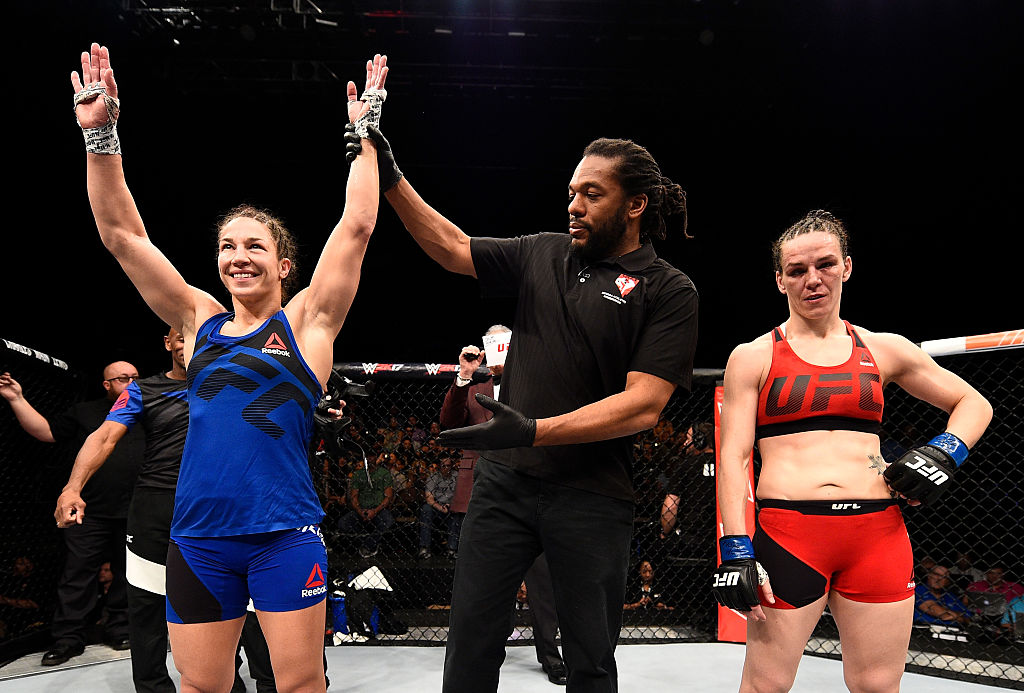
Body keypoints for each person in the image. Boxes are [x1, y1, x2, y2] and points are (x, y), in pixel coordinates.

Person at [71, 42, 385, 692]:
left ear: (284, 264)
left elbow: (355, 226)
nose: (237, 256)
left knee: (299, 685)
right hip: (198, 539)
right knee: (201, 687)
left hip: (282, 535)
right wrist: (101, 134)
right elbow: (122, 235)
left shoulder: (304, 325)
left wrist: (365, 134)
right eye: (226, 246)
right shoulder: (198, 321)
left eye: (254, 245)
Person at [347, 128, 697, 691]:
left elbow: (643, 404)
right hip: (504, 487)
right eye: (572, 192)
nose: (573, 206)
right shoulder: (544, 251)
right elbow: (452, 247)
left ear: (636, 205)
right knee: (469, 649)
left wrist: (533, 430)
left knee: (589, 660)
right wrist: (391, 178)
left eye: (591, 194)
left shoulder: (668, 289)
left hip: (593, 494)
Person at [712, 210, 993, 693]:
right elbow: (735, 457)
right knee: (765, 686)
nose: (812, 280)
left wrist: (946, 451)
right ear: (780, 280)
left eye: (824, 265)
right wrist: (734, 547)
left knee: (877, 685)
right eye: (797, 271)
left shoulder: (885, 348)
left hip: (877, 534)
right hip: (790, 535)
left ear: (846, 266)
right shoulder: (754, 355)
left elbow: (973, 403)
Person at [54, 328, 186, 692]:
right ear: (167, 342)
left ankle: (224, 683)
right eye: (180, 335)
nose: (188, 342)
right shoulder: (142, 389)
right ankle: (152, 687)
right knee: (144, 605)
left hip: (214, 510)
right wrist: (72, 487)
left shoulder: (230, 383)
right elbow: (104, 436)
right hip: (154, 508)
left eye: (197, 334)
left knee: (222, 603)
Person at [1, 363, 143, 665]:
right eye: (122, 378)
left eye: (135, 378)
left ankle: (120, 629)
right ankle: (68, 639)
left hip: (136, 508)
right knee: (77, 574)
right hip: (88, 509)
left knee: (130, 574)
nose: (130, 382)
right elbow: (47, 432)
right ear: (106, 385)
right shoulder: (85, 412)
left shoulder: (148, 410)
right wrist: (16, 399)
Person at [339, 452, 396, 558]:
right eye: (367, 457)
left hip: (378, 509)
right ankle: (368, 543)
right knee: (343, 523)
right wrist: (359, 510)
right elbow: (353, 496)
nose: (369, 459)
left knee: (388, 521)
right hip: (361, 508)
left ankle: (367, 546)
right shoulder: (358, 474)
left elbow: (388, 496)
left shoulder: (384, 473)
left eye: (372, 456)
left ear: (376, 457)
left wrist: (375, 511)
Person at [418, 453, 460, 559]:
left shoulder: (457, 476)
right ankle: (425, 548)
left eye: (448, 466)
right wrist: (440, 507)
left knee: (457, 514)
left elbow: (461, 495)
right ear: (439, 466)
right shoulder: (433, 477)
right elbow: (429, 498)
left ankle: (452, 549)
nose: (446, 468)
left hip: (452, 505)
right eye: (443, 466)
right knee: (426, 509)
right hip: (436, 506)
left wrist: (452, 505)